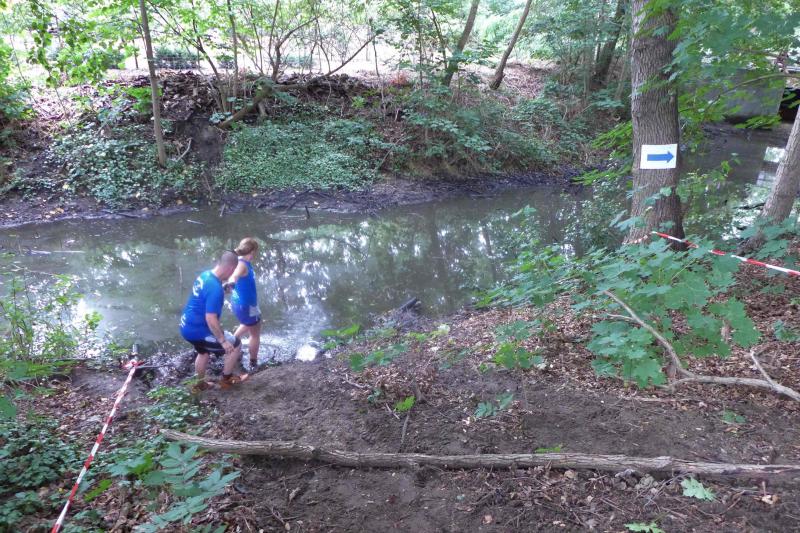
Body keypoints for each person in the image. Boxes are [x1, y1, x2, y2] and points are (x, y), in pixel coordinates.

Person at [180, 250, 249, 391]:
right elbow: (210, 318)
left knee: (203, 353)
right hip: (199, 331)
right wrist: (223, 341)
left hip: (186, 326)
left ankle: (200, 384)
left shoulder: (205, 275)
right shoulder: (215, 289)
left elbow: (206, 294)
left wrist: (222, 289)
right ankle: (226, 380)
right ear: (231, 268)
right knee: (235, 345)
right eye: (233, 271)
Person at [227, 237, 262, 369]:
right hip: (247, 305)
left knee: (247, 323)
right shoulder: (242, 265)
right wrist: (231, 283)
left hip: (239, 303)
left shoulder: (240, 261)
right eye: (255, 251)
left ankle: (233, 342)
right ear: (252, 251)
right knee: (255, 333)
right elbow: (234, 276)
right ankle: (253, 363)